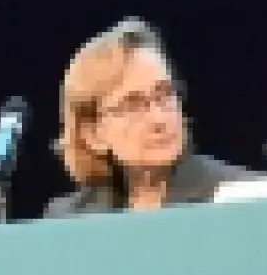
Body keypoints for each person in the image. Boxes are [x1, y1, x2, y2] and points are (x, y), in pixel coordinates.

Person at [45, 17, 255, 217]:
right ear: (93, 135)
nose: (159, 119)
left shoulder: (244, 198)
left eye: (164, 94)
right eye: (133, 104)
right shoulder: (70, 219)